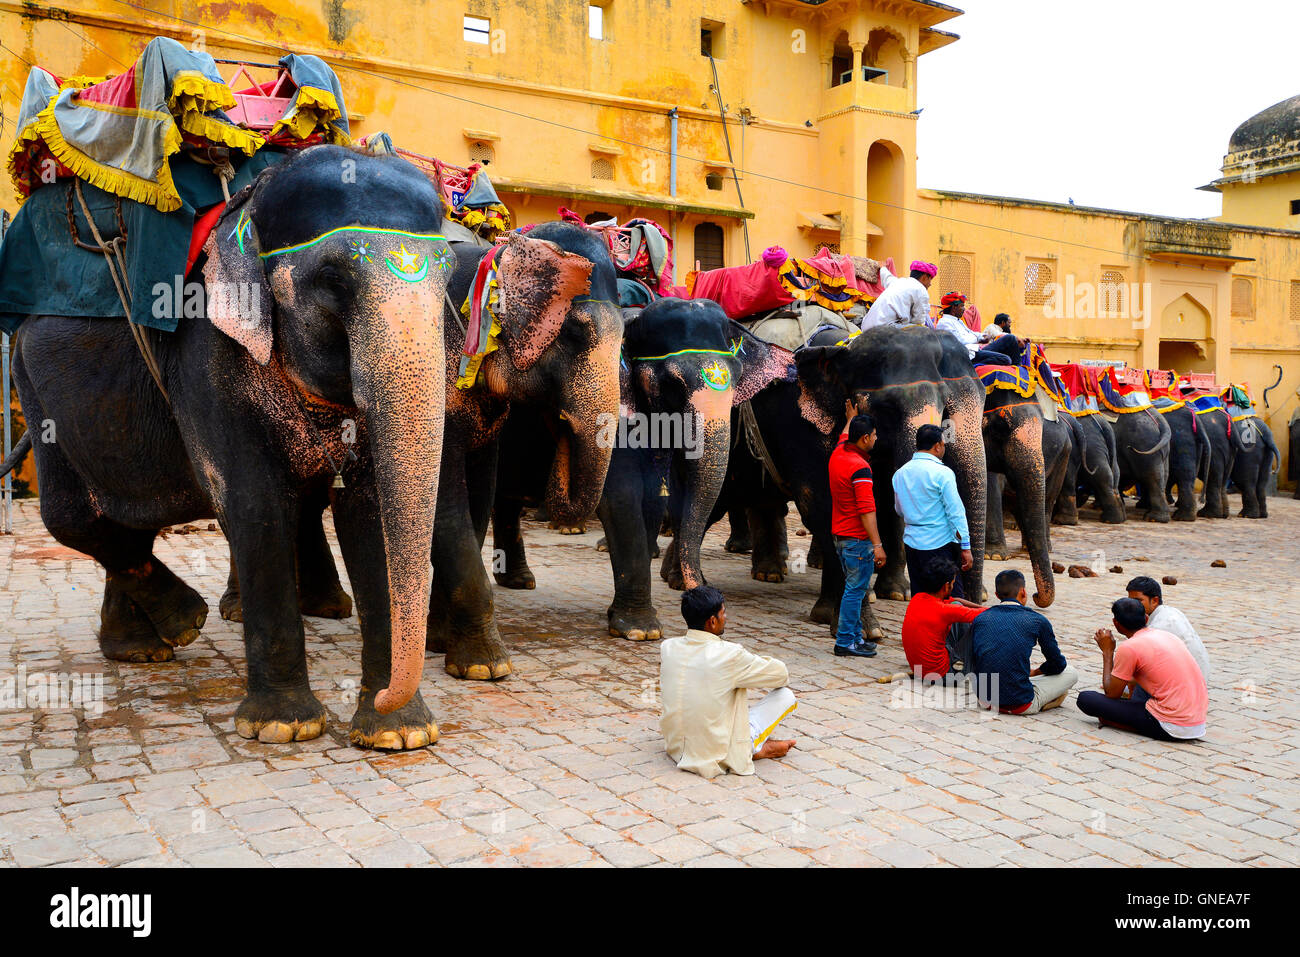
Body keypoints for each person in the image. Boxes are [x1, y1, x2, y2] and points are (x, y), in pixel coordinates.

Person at [659, 586, 797, 779]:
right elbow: (781, 674)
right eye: (724, 613)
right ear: (712, 621)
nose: (727, 617)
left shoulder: (667, 647)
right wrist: (746, 661)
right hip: (714, 752)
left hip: (675, 747)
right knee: (785, 695)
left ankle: (750, 746)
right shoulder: (730, 654)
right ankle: (749, 748)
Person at [1076, 598, 1208, 742]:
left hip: (1171, 725)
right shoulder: (1168, 636)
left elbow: (1111, 693)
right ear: (1146, 618)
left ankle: (1120, 723)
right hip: (1197, 723)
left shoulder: (1129, 647)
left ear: (1116, 624)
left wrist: (1108, 652)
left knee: (1086, 698)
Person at [971, 569, 1078, 714]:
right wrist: (1036, 672)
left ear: (996, 595)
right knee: (1071, 672)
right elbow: (1058, 664)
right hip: (1020, 703)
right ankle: (1042, 702)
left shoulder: (981, 618)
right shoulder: (1037, 620)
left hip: (985, 700)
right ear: (1023, 592)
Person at [829, 413, 886, 657]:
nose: (876, 438)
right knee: (854, 592)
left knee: (854, 589)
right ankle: (845, 642)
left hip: (841, 537)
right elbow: (866, 509)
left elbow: (843, 435)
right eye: (873, 435)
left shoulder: (838, 453)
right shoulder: (860, 468)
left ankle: (854, 637)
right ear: (864, 438)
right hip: (857, 540)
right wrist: (878, 544)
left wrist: (850, 418)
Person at [893, 423, 973, 598]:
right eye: (943, 444)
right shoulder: (942, 473)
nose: (943, 448)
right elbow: (956, 513)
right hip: (940, 545)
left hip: (913, 544)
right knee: (951, 597)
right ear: (937, 446)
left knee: (920, 596)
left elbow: (899, 510)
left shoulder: (900, 473)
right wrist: (965, 547)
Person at [900, 555, 985, 682]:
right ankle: (975, 666)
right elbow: (985, 615)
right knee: (977, 625)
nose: (953, 586)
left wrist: (982, 607)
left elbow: (955, 600)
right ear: (946, 586)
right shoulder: (945, 611)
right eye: (952, 583)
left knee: (957, 605)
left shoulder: (917, 598)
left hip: (919, 670)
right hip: (945, 676)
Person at [1125, 576, 1210, 687]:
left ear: (1155, 601)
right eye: (1130, 601)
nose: (1133, 606)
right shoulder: (1170, 611)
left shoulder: (1159, 626)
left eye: (1138, 601)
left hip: (1186, 688)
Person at [934, 293, 1015, 366]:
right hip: (968, 355)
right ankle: (973, 366)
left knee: (1009, 339)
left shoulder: (958, 321)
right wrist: (978, 339)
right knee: (1005, 359)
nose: (964, 309)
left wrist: (983, 336)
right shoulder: (944, 322)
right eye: (962, 306)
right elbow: (959, 341)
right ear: (954, 308)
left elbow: (972, 333)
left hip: (975, 350)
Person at [860, 260, 936, 329]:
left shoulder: (898, 282)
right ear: (924, 277)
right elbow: (918, 321)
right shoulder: (921, 290)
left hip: (866, 327)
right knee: (923, 330)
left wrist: (882, 267)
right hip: (884, 328)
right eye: (930, 279)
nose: (930, 284)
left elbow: (887, 277)